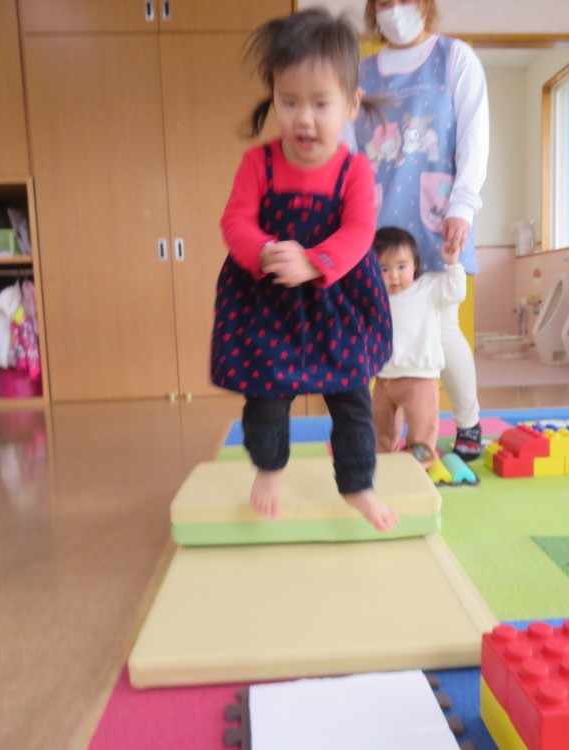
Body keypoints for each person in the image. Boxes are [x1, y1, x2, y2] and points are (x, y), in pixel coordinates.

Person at [210, 9, 397, 532]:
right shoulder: (259, 164)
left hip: (339, 303)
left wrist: (315, 262)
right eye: (289, 102)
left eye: (320, 103)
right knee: (266, 397)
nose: (304, 119)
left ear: (351, 104)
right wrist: (265, 251)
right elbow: (235, 222)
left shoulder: (354, 169)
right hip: (269, 302)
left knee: (352, 399)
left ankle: (358, 485)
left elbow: (359, 232)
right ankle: (268, 471)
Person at [353, 0, 489, 462]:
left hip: (437, 216)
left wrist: (464, 204)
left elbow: (473, 138)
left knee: (443, 328)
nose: (394, 9)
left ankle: (468, 423)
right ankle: (387, 431)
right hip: (376, 225)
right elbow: (348, 147)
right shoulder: (361, 72)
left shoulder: (454, 57)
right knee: (386, 331)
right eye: (384, 2)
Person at [372, 226, 465, 467]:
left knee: (422, 428)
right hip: (384, 378)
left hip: (420, 378)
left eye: (402, 267)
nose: (393, 276)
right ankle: (382, 461)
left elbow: (457, 292)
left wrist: (453, 264)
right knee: (380, 428)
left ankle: (419, 463)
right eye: (384, 269)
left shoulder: (427, 288)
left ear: (415, 265)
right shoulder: (376, 296)